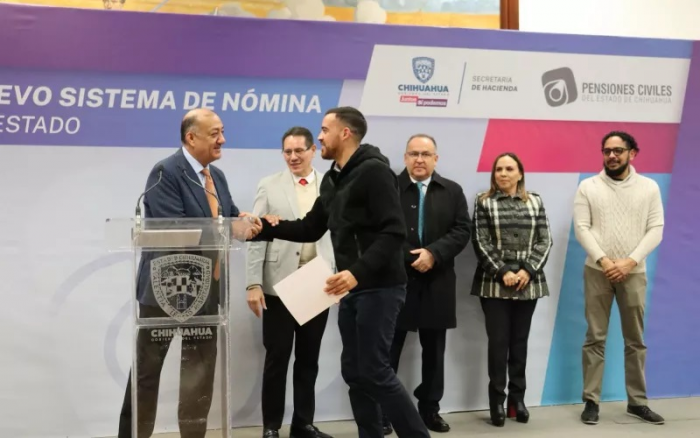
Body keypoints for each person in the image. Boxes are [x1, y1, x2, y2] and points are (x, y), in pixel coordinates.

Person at [253, 106, 431, 438]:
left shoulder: (375, 172)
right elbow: (310, 227)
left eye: (324, 130)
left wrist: (355, 273)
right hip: (351, 289)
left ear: (344, 133)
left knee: (375, 370)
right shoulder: (334, 178)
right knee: (355, 372)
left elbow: (394, 232)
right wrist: (261, 228)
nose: (319, 137)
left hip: (380, 287)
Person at [118, 108, 261, 438]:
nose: (222, 139)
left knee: (199, 378)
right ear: (191, 137)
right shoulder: (165, 172)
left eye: (222, 131)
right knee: (147, 375)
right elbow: (175, 229)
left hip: (207, 292)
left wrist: (245, 221)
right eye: (215, 134)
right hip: (166, 290)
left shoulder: (216, 176)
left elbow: (224, 216)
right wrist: (228, 227)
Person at [245, 127, 335, 438]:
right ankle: (271, 426)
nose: (293, 157)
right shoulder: (269, 185)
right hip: (278, 284)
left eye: (299, 151)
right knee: (277, 357)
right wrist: (253, 283)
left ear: (313, 151)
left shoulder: (331, 184)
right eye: (287, 151)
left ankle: (303, 423)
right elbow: (256, 235)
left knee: (309, 358)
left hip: (318, 282)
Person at [381, 134, 471, 435]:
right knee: (388, 350)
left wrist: (433, 253)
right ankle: (385, 412)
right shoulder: (389, 188)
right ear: (405, 157)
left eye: (425, 154)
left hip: (437, 280)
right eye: (413, 154)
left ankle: (430, 409)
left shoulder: (452, 190)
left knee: (434, 352)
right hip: (397, 281)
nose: (419, 159)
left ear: (436, 158)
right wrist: (412, 257)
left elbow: (462, 230)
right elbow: (382, 231)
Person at [574, 131, 665, 426]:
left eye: (618, 151)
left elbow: (656, 229)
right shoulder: (588, 187)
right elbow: (582, 228)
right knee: (595, 338)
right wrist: (604, 260)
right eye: (607, 151)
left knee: (635, 340)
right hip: (597, 272)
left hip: (633, 273)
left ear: (632, 153)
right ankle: (591, 402)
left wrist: (629, 261)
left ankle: (637, 403)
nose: (612, 156)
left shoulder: (649, 188)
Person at [471, 152, 553, 427]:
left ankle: (517, 401)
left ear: (520, 174)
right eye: (498, 169)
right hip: (494, 284)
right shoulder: (483, 202)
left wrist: (527, 270)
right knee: (498, 344)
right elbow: (480, 241)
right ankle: (496, 401)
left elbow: (545, 240)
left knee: (519, 343)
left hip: (528, 284)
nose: (503, 174)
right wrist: (503, 271)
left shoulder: (535, 201)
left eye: (509, 169)